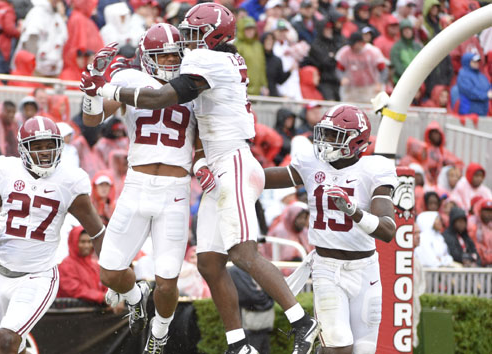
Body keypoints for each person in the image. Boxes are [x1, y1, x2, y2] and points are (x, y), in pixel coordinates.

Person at [80, 6, 318, 353]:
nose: (182, 49)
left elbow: (164, 98)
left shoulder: (203, 67)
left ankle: (302, 322)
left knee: (241, 252)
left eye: (190, 38)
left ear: (214, 36)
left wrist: (109, 89)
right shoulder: (206, 64)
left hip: (228, 163)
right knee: (208, 262)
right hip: (197, 170)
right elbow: (96, 119)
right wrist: (95, 90)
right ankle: (238, 344)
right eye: (174, 46)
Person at [82, 24, 198, 353]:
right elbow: (92, 121)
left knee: (167, 278)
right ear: (146, 58)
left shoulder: (192, 84)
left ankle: (159, 332)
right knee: (109, 272)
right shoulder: (130, 81)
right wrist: (91, 89)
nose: (171, 62)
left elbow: (203, 137)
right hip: (136, 184)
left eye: (175, 55)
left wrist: (202, 164)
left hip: (175, 189)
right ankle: (136, 296)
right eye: (163, 56)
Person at [263, 104, 398, 353]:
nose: (325, 141)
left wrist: (354, 211)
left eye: (333, 136)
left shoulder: (374, 169)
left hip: (365, 271)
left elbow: (388, 231)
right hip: (327, 268)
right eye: (324, 133)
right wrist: (234, 175)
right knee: (339, 347)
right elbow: (265, 179)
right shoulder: (311, 162)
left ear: (356, 140)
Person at [0, 116, 105, 354]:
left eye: (50, 145)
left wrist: (109, 273)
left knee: (8, 339)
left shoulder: (71, 180)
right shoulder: (5, 169)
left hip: (38, 276)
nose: (44, 152)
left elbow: (97, 231)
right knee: (6, 348)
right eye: (37, 146)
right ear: (23, 149)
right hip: (1, 274)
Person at [56, 226, 107, 303]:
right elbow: (75, 290)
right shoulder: (66, 265)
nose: (87, 246)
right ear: (74, 242)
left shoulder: (95, 265)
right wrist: (101, 297)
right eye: (83, 242)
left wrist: (110, 296)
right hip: (73, 313)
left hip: (94, 311)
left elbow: (105, 284)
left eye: (89, 242)